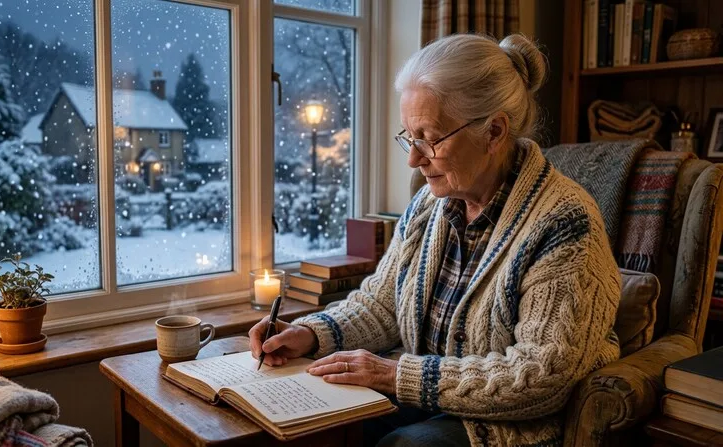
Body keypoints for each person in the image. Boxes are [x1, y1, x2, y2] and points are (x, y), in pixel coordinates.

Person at [249, 33, 621, 447]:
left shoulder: (564, 223)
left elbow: (540, 375)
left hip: (515, 422)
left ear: (494, 131)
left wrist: (394, 374)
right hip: (428, 400)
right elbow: (382, 304)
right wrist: (311, 334)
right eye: (409, 136)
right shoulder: (431, 203)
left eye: (429, 138)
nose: (414, 158)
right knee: (306, 429)